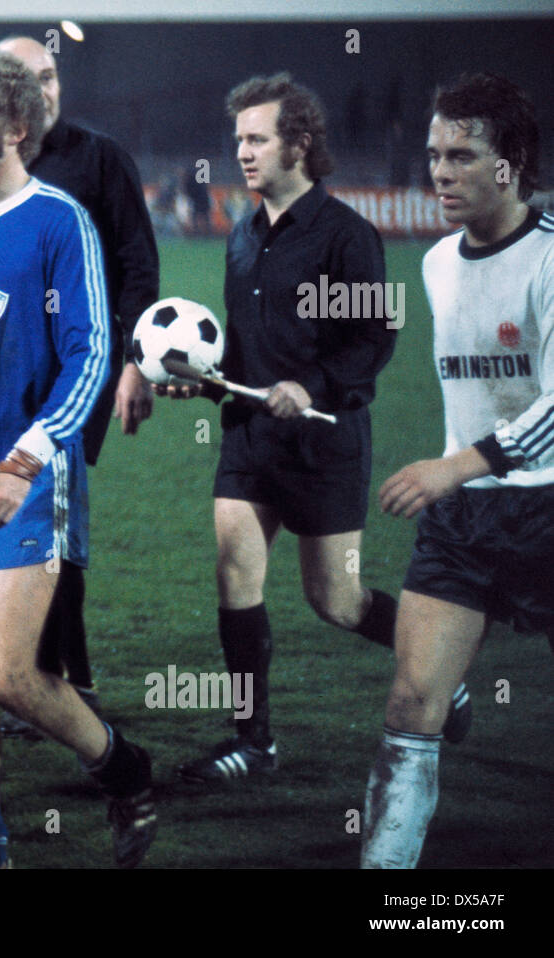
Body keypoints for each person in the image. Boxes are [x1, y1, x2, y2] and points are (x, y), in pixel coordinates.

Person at [0, 43, 156, 868]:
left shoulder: (59, 222)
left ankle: (125, 769)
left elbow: (89, 356)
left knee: (9, 674)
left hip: (30, 472)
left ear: (13, 128)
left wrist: (25, 459)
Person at [166, 73, 462, 784]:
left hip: (325, 442)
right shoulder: (242, 232)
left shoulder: (347, 234)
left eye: (257, 138)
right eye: (238, 138)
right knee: (234, 569)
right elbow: (244, 344)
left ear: (298, 143)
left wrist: (311, 386)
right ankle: (253, 741)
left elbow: (372, 342)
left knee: (337, 600)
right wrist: (203, 378)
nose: (242, 151)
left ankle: (444, 674)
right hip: (247, 438)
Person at [363, 73, 553, 868]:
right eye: (433, 154)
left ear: (507, 166)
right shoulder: (439, 263)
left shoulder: (549, 260)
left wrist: (455, 466)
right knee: (412, 702)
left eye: (460, 156)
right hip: (464, 522)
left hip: (546, 510)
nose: (438, 171)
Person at [0, 34, 160, 732]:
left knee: (50, 517)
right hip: (1, 375)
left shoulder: (98, 158)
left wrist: (133, 364)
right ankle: (40, 676)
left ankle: (69, 682)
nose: (48, 87)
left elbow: (139, 265)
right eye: (30, 77)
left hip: (76, 374)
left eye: (52, 74)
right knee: (23, 521)